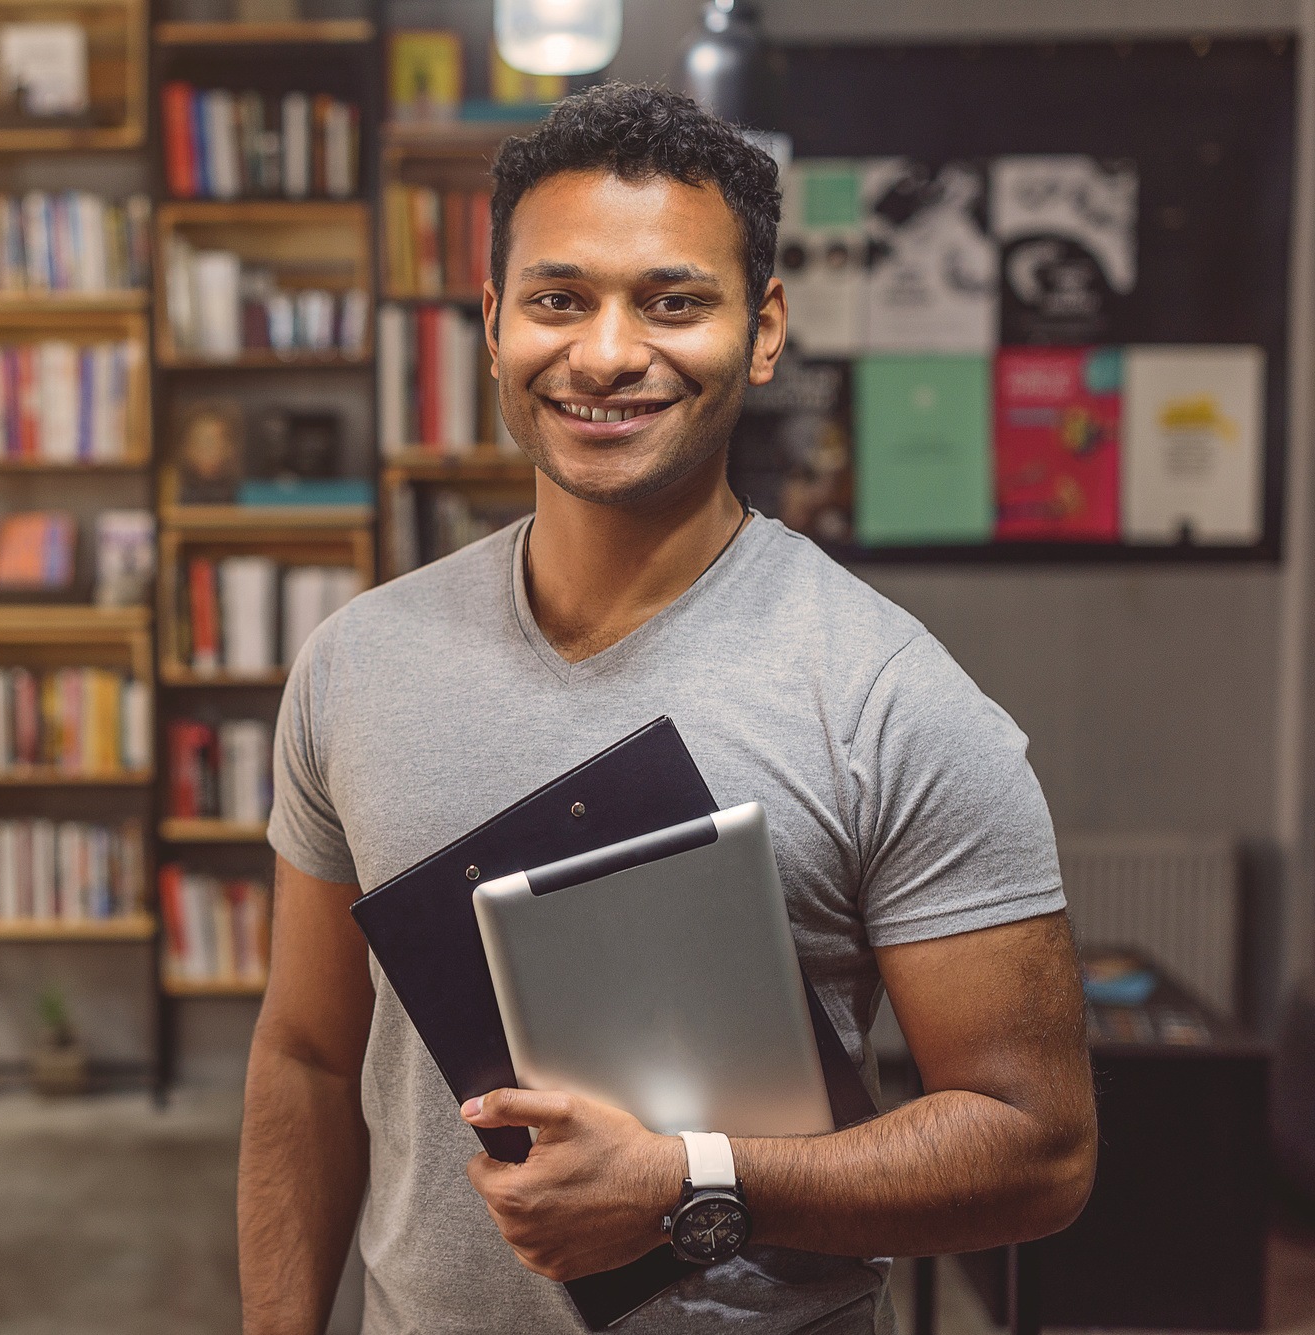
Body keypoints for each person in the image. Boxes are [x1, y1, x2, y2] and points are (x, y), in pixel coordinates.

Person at [237, 82, 1097, 1333]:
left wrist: (692, 1186)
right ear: (490, 323)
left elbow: (1037, 1152)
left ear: (760, 331)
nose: (602, 352)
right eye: (556, 298)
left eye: (672, 300)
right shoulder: (355, 663)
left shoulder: (885, 700)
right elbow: (307, 1058)